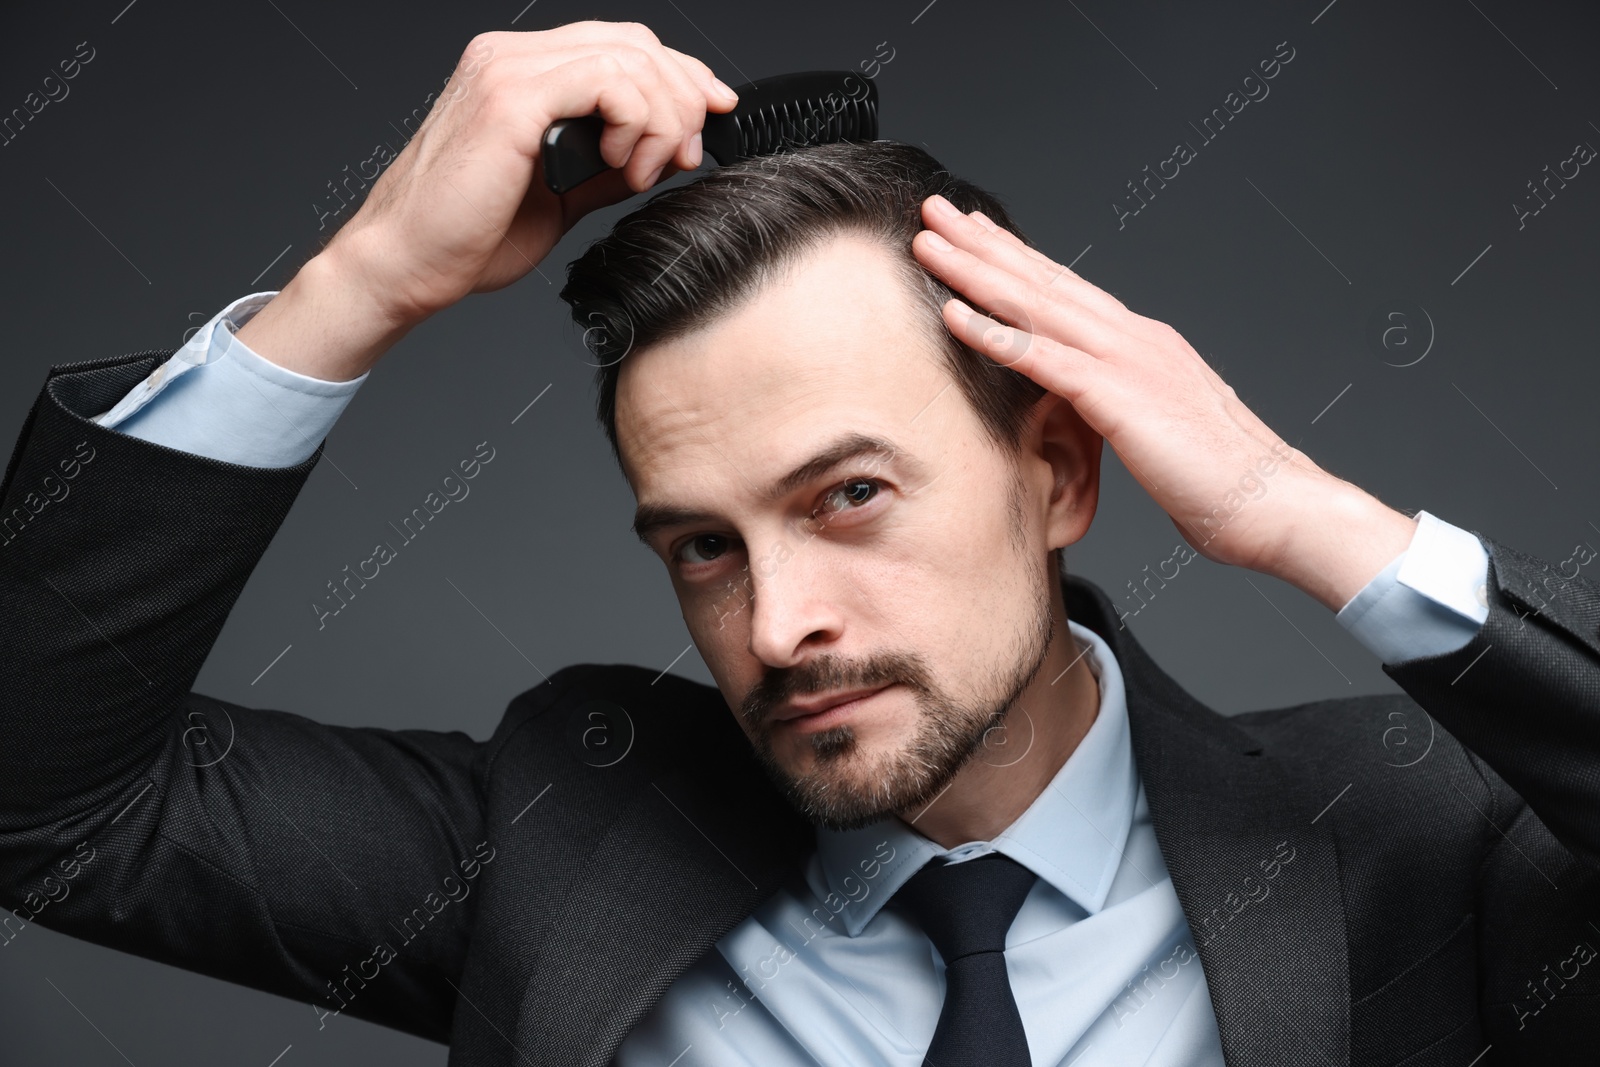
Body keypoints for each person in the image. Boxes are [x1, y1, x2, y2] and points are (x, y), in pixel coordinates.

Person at [3, 19, 1597, 1067]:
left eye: (849, 497)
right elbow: (40, 800)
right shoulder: (561, 848)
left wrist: (1296, 512)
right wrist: (359, 286)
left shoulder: (1416, 841)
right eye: (702, 545)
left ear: (1056, 474)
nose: (777, 628)